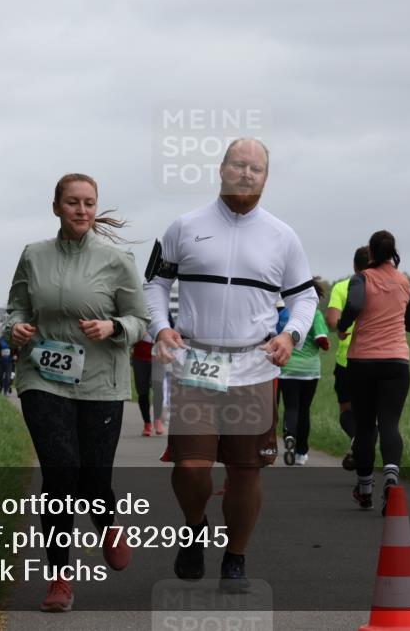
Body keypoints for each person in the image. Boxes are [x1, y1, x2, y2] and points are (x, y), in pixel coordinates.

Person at [144, 138, 318, 591]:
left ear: (266, 178)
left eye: (256, 168)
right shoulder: (182, 227)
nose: (246, 174)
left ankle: (235, 557)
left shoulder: (283, 236)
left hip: (253, 367)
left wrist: (290, 334)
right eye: (238, 165)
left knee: (245, 471)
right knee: (190, 468)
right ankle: (195, 524)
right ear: (221, 169)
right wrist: (161, 328)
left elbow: (304, 297)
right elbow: (155, 286)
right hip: (195, 363)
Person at [6, 172, 150, 612]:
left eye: (89, 202)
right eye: (72, 202)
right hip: (42, 376)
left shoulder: (117, 260)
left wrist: (113, 327)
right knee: (60, 474)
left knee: (92, 479)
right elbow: (16, 305)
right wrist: (16, 327)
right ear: (56, 207)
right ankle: (59, 579)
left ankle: (107, 523)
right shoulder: (34, 255)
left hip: (100, 383)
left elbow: (140, 319)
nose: (82, 210)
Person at [337, 230, 410, 515]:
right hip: (397, 362)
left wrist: (344, 325)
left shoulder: (362, 278)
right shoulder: (404, 281)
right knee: (390, 424)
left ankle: (366, 489)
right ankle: (392, 480)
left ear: (370, 254)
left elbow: (356, 303)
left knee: (365, 427)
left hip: (363, 362)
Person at [325, 246, 370, 470]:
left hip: (347, 360)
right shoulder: (386, 286)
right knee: (372, 411)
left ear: (354, 266)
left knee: (347, 410)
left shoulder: (342, 287)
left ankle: (355, 439)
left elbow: (332, 320)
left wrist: (341, 328)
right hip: (382, 359)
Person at [277, 279, 330, 466]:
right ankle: (301, 453)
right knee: (304, 410)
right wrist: (326, 344)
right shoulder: (314, 314)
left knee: (291, 407)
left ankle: (289, 435)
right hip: (309, 370)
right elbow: (322, 339)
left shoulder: (283, 313)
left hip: (286, 368)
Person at [131, 332, 165, 436]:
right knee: (143, 392)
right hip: (140, 358)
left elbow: (170, 327)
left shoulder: (162, 316)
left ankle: (157, 420)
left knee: (158, 388)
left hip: (158, 357)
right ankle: (147, 423)